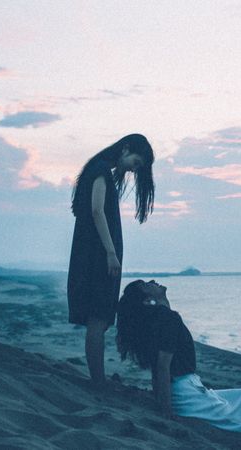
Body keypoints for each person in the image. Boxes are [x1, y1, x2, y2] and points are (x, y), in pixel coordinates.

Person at [116, 280, 241, 450]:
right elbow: (161, 367)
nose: (153, 281)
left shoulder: (160, 318)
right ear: (147, 300)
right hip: (186, 394)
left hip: (188, 388)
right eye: (147, 284)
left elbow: (159, 366)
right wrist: (166, 410)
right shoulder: (168, 319)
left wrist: (159, 396)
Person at [67, 134, 155, 386]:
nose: (133, 169)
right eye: (136, 162)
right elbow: (97, 210)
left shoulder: (100, 169)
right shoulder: (101, 170)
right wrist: (110, 253)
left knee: (100, 319)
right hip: (96, 257)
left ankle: (98, 378)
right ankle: (98, 381)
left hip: (93, 254)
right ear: (126, 148)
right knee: (99, 318)